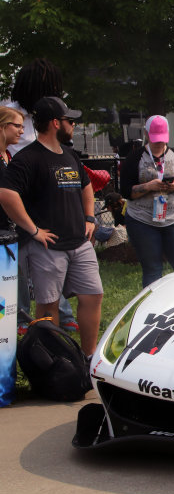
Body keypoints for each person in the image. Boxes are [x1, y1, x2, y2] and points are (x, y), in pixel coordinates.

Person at [0, 97, 103, 356]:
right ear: (56, 123)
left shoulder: (70, 155)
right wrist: (33, 230)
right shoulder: (28, 158)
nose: (74, 125)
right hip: (47, 247)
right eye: (70, 120)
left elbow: (86, 186)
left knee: (93, 296)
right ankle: (54, 363)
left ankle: (88, 358)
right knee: (48, 306)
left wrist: (90, 218)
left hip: (79, 244)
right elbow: (6, 194)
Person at [1, 59, 79, 333]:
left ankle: (62, 311)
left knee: (53, 251)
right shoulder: (11, 113)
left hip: (48, 195)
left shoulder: (48, 114)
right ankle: (21, 314)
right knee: (20, 256)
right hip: (20, 195)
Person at [120, 115, 174, 287]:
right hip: (142, 220)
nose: (159, 143)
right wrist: (148, 186)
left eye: (162, 139)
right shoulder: (135, 158)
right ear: (146, 134)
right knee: (153, 269)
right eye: (155, 139)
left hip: (173, 218)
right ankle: (151, 308)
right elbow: (125, 191)